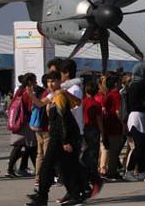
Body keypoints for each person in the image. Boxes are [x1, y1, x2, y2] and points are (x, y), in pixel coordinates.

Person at [26, 73, 88, 206]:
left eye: (53, 81)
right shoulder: (54, 95)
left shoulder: (59, 96)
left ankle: (42, 198)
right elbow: (40, 104)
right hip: (59, 136)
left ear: (59, 81)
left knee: (47, 167)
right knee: (64, 167)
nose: (50, 84)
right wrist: (31, 95)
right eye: (48, 82)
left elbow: (63, 119)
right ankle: (75, 194)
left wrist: (65, 141)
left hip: (60, 137)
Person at [125, 63, 145, 181]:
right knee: (139, 146)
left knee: (142, 145)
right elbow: (144, 102)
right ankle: (129, 171)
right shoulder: (139, 85)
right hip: (137, 116)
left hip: (137, 116)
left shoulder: (132, 85)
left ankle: (141, 170)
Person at [82, 80, 104, 197]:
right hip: (93, 131)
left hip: (84, 130)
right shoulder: (96, 104)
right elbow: (99, 120)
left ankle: (87, 181)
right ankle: (94, 179)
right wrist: (103, 134)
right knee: (93, 156)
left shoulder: (82, 102)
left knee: (85, 157)